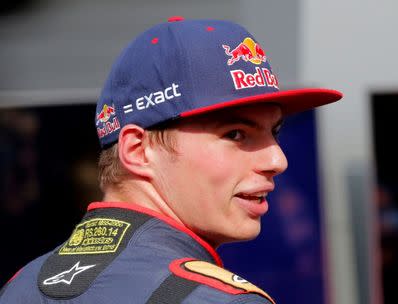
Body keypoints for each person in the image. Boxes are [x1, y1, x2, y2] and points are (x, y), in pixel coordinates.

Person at [0, 16, 342, 303]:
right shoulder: (217, 299)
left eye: (276, 132)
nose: (277, 159)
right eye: (236, 133)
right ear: (137, 151)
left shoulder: (20, 287)